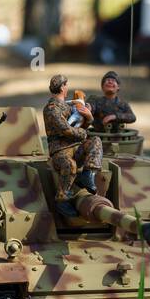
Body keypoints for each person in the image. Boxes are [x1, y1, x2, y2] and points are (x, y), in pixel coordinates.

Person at [43, 74, 102, 218]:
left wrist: (89, 117)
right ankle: (62, 199)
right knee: (70, 165)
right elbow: (65, 129)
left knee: (96, 141)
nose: (67, 87)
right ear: (62, 87)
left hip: (76, 146)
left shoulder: (69, 105)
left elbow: (81, 123)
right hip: (60, 150)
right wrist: (82, 133)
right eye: (66, 84)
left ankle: (88, 173)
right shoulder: (51, 108)